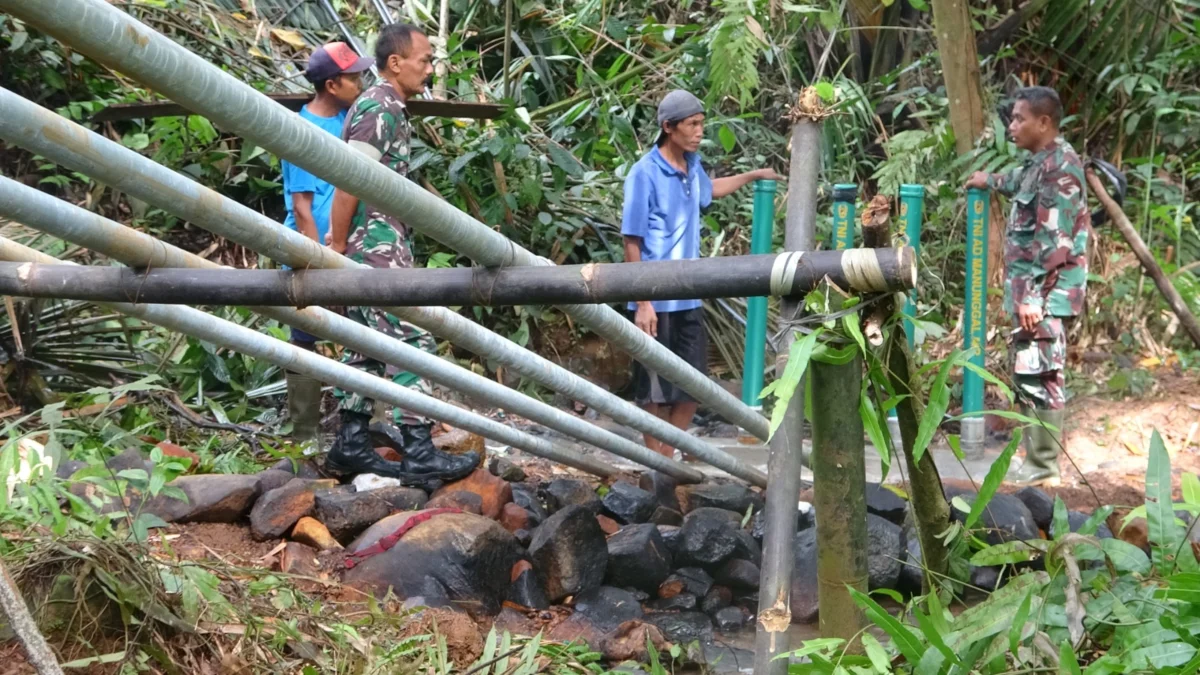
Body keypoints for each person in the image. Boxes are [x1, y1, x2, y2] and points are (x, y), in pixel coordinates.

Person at [324, 23, 478, 485]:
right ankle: (418, 450)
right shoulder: (381, 104)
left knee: (366, 349)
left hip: (374, 241)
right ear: (396, 63)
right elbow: (350, 178)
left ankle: (351, 443)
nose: (430, 69)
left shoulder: (384, 105)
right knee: (413, 340)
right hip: (375, 245)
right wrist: (336, 245)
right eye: (425, 60)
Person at [622, 89, 782, 460]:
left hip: (688, 297)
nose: (698, 132)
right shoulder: (644, 173)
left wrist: (753, 175)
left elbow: (710, 191)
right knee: (653, 390)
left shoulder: (691, 166)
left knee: (693, 384)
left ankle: (669, 452)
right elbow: (632, 240)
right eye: (692, 125)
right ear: (668, 127)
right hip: (653, 297)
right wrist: (643, 302)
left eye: (700, 124)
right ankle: (657, 462)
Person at [965, 86, 1088, 486]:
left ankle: (1044, 466)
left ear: (1044, 122)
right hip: (1033, 293)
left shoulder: (1061, 168)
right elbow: (1018, 181)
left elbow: (1055, 242)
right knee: (1029, 374)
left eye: (1019, 119)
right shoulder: (1040, 164)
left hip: (1046, 295)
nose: (1012, 126)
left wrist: (1033, 297)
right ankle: (1036, 461)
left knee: (1044, 374)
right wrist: (989, 179)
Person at [280, 42, 372, 449]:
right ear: (332, 84)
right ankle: (305, 435)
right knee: (305, 337)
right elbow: (301, 206)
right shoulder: (300, 132)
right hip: (312, 252)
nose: (361, 83)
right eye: (355, 78)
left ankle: (367, 429)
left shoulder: (350, 120)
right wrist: (319, 261)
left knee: (365, 335)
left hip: (348, 248)